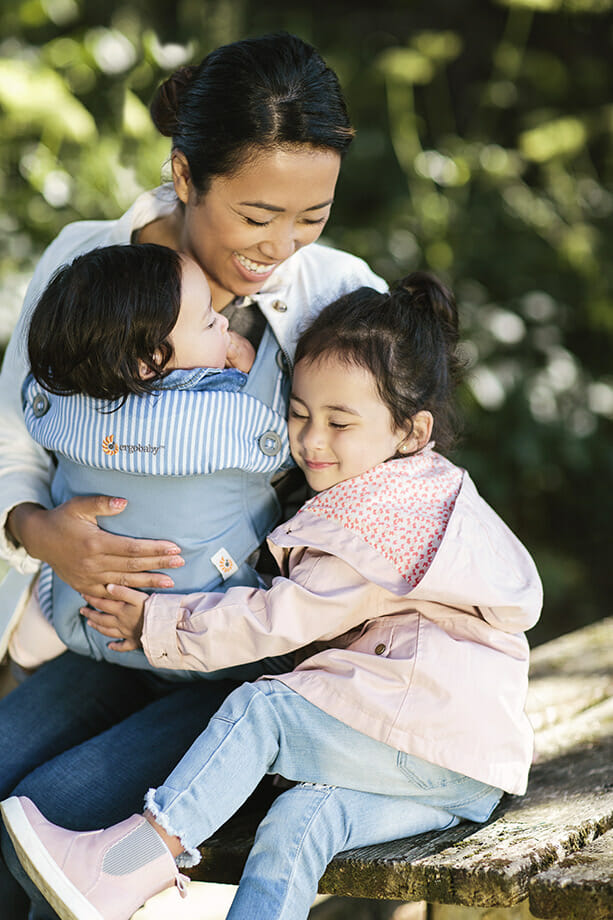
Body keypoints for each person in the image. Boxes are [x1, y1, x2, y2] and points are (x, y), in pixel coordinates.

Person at [2, 274, 543, 920]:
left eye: (340, 423)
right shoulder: (418, 491)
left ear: (410, 430)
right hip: (464, 765)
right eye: (299, 415)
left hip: (420, 730)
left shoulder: (375, 521)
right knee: (298, 823)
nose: (313, 441)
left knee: (263, 712)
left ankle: (137, 856)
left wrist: (155, 619)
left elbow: (274, 621)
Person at [0, 33, 387, 919]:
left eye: (310, 218)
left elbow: (392, 490)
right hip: (96, 636)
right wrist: (38, 529)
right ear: (184, 175)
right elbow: (11, 434)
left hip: (247, 657)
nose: (280, 246)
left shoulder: (337, 298)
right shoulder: (83, 264)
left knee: (52, 809)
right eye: (256, 217)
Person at [13, 241, 287, 676]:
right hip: (196, 614)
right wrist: (247, 374)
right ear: (152, 360)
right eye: (208, 321)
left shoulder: (64, 402)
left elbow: (33, 399)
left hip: (78, 607)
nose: (222, 322)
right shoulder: (228, 416)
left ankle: (46, 616)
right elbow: (284, 447)